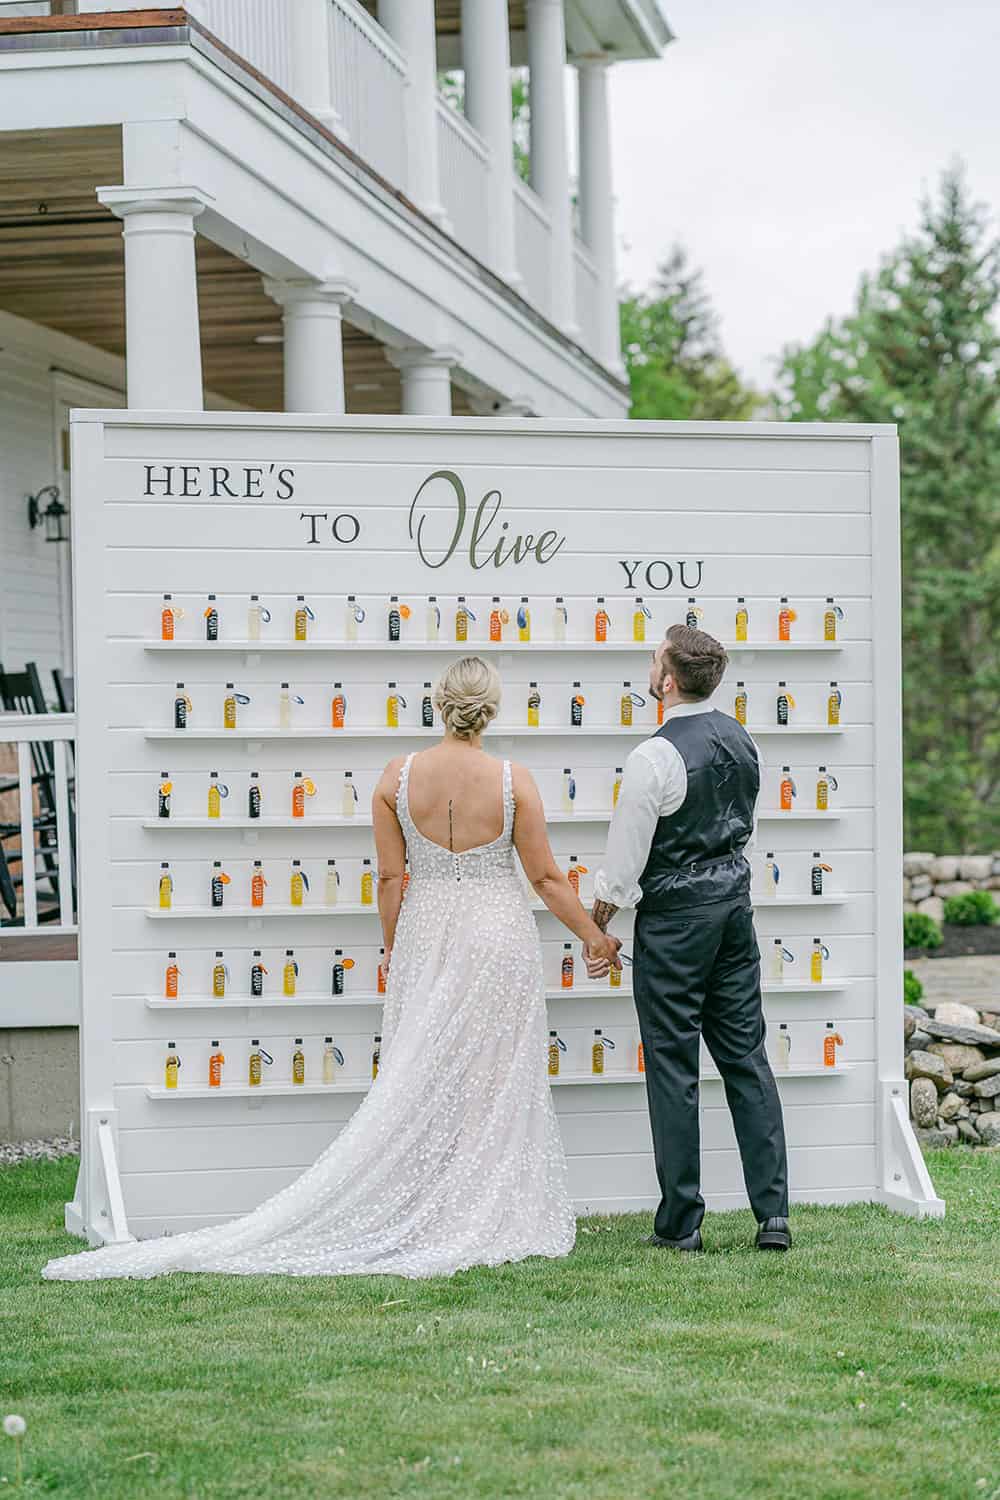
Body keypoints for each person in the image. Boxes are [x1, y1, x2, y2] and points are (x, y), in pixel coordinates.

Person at [42, 656, 619, 1282]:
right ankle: (481, 1210)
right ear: (492, 708)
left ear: (439, 703)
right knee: (492, 1078)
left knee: (419, 1077)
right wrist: (595, 937)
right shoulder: (515, 781)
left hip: (426, 934)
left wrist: (399, 949)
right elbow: (544, 878)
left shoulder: (397, 779)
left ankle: (433, 1210)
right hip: (495, 937)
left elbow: (392, 878)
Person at [585, 623, 790, 1253]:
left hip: (675, 922)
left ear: (667, 680)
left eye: (654, 661)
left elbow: (624, 861)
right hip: (733, 911)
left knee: (672, 1068)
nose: (650, 668)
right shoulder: (742, 738)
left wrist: (596, 926)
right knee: (745, 1056)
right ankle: (773, 1216)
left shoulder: (653, 756)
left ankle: (680, 1224)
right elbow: (742, 825)